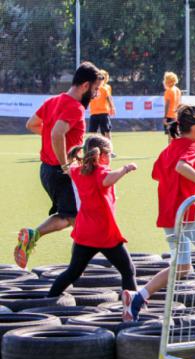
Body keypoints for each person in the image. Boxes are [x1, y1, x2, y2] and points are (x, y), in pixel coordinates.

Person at [122, 105, 195, 321]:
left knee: (181, 267)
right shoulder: (192, 147)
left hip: (169, 216)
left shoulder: (170, 149)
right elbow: (182, 167)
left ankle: (138, 296)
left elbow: (157, 173)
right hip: (188, 214)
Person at [14, 62, 104, 268]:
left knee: (69, 215)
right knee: (79, 217)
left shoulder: (54, 100)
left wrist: (53, 141)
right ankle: (79, 264)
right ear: (85, 86)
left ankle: (37, 237)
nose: (95, 93)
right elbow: (57, 133)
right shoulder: (75, 107)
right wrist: (65, 164)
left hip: (46, 169)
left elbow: (32, 124)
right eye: (95, 89)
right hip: (61, 170)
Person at [47, 136, 138, 299]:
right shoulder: (101, 172)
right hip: (104, 234)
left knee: (72, 272)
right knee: (128, 271)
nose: (110, 159)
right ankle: (132, 307)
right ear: (102, 156)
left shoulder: (78, 171)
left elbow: (71, 168)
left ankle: (49, 298)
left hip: (84, 233)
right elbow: (106, 180)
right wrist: (126, 168)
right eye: (110, 155)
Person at [88, 69, 116, 155]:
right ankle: (90, 149)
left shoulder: (106, 88)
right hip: (94, 112)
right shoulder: (91, 86)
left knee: (106, 131)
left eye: (103, 77)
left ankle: (109, 150)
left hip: (104, 112)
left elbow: (109, 98)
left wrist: (112, 107)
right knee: (93, 132)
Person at [163, 72, 182, 137]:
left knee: (170, 136)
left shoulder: (168, 91)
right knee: (176, 135)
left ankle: (172, 147)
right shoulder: (178, 90)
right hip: (176, 115)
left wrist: (165, 117)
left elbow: (167, 105)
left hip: (170, 116)